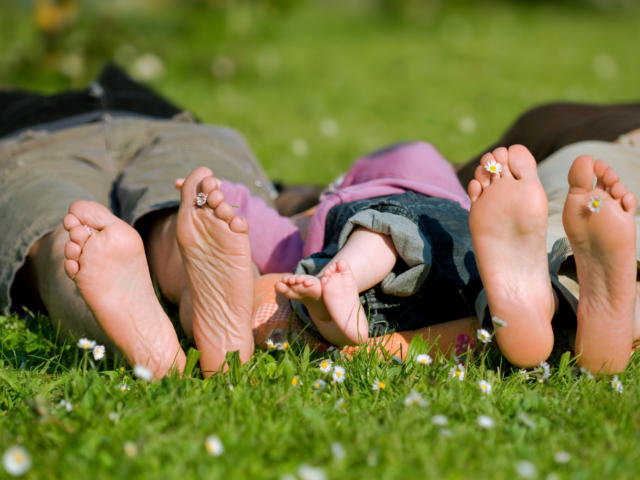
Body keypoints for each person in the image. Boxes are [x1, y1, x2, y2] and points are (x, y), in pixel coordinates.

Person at [273, 141, 481, 347]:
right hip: (457, 297)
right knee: (382, 233)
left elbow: (275, 246)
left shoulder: (397, 188)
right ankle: (332, 311)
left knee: (379, 230)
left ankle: (329, 297)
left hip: (429, 238)